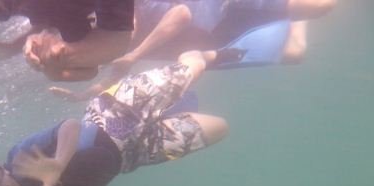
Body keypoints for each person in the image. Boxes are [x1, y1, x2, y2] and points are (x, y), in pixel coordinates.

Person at [0, 50, 229, 186]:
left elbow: (70, 126)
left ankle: (196, 55)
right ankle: (174, 109)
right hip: (133, 155)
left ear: (0, 168)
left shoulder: (21, 158)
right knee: (220, 128)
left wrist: (58, 164)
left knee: (197, 66)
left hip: (115, 112)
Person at [48, 0, 335, 99]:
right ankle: (293, 20)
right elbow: (114, 71)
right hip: (213, 39)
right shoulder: (111, 41)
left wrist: (134, 56)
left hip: (220, 7)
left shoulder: (126, 10)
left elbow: (182, 14)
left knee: (321, 6)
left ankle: (294, 15)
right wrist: (83, 95)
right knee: (295, 52)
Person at [0, 0, 135, 81]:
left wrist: (58, 61)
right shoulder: (13, 5)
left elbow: (117, 40)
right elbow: (90, 70)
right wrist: (11, 48)